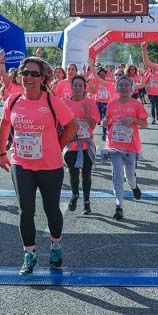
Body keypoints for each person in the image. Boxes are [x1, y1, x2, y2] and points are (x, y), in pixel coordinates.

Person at [0, 56, 77, 274]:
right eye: (25, 73)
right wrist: (2, 153)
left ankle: (56, 247)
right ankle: (29, 254)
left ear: (43, 78)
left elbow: (72, 125)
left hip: (49, 165)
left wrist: (58, 147)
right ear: (20, 76)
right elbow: (5, 124)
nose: (29, 77)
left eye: (34, 74)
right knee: (26, 210)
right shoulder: (13, 101)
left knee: (51, 209)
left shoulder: (51, 101)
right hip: (21, 162)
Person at [103, 75, 149, 220]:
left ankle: (134, 186)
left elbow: (145, 124)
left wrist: (134, 120)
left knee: (129, 177)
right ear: (116, 88)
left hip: (131, 146)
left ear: (131, 88)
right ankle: (119, 207)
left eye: (126, 85)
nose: (123, 87)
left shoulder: (136, 104)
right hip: (114, 146)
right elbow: (108, 122)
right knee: (117, 176)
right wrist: (105, 123)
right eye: (120, 85)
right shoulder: (111, 104)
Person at [63, 75, 99, 215]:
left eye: (80, 85)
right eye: (75, 85)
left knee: (86, 175)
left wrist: (87, 114)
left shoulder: (90, 103)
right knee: (73, 172)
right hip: (71, 145)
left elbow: (93, 125)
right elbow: (61, 124)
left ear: (85, 88)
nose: (77, 88)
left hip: (86, 145)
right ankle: (74, 194)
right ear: (71, 87)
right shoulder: (65, 103)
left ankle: (86, 202)